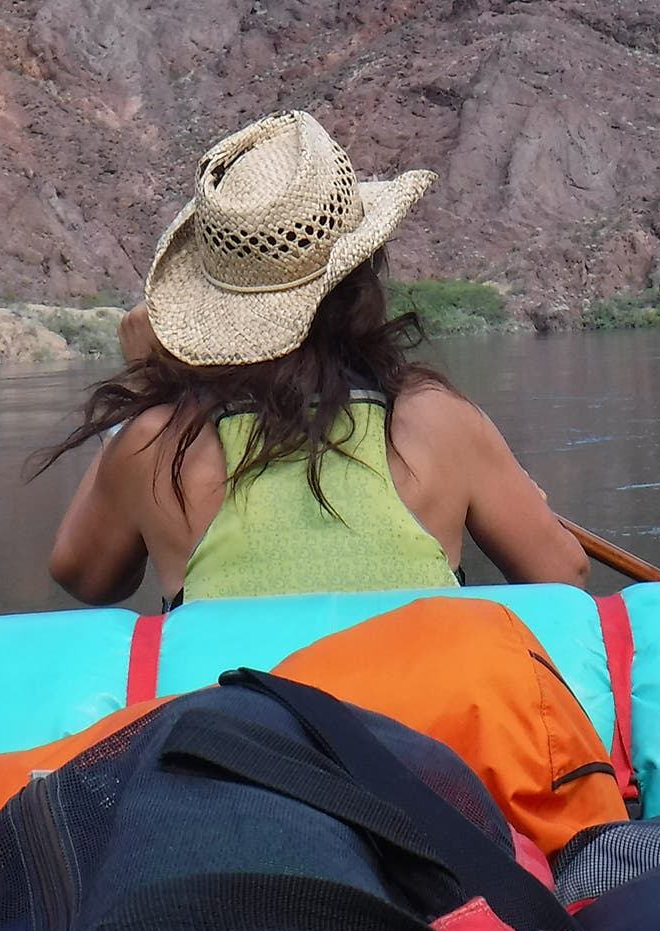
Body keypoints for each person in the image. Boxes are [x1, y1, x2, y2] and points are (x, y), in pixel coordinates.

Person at [38, 109, 586, 607]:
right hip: (403, 720)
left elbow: (87, 578)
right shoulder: (438, 422)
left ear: (215, 307)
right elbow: (564, 576)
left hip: (240, 720)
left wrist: (140, 391)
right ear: (364, 276)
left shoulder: (157, 445)